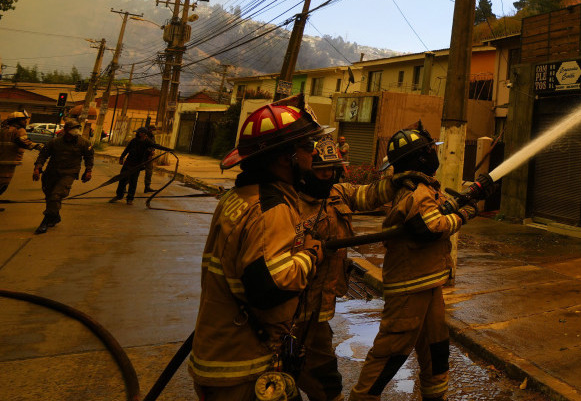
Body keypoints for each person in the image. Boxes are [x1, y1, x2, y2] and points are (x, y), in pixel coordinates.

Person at [189, 96, 329, 401]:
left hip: (218, 355)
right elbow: (270, 287)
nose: (313, 154)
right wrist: (310, 255)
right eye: (306, 146)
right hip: (244, 367)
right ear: (284, 157)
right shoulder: (271, 208)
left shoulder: (240, 196)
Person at [348, 124, 479, 401]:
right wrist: (466, 214)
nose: (434, 154)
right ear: (420, 158)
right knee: (390, 353)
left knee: (436, 349)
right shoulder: (416, 191)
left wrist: (462, 201)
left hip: (428, 282)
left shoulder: (416, 186)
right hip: (410, 285)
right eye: (430, 150)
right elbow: (432, 227)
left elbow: (435, 211)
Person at [293, 137, 396, 401]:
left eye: (331, 170)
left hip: (320, 311)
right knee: (317, 379)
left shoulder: (337, 193)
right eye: (320, 170)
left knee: (314, 375)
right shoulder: (289, 206)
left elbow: (369, 194)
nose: (327, 175)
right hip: (293, 312)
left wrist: (400, 181)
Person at [32, 120, 94, 234]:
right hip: (51, 173)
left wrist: (88, 171)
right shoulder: (55, 142)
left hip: (68, 173)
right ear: (66, 130)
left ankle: (45, 221)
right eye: (73, 129)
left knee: (56, 196)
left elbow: (89, 157)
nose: (75, 131)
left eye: (77, 128)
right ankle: (55, 216)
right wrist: (37, 168)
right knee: (50, 196)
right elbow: (43, 155)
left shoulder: (84, 143)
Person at [0, 109, 36, 211]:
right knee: (3, 184)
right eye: (24, 120)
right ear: (17, 120)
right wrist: (40, 146)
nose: (25, 122)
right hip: (9, 161)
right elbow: (24, 142)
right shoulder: (19, 130)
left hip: (2, 159)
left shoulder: (3, 129)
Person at [111, 126, 156, 205]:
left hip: (137, 165)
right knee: (122, 180)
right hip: (128, 163)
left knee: (133, 182)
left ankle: (130, 198)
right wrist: (121, 157)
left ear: (143, 134)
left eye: (138, 132)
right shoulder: (133, 141)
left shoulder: (147, 142)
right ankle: (119, 195)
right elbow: (127, 149)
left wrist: (168, 150)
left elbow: (155, 147)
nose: (137, 134)